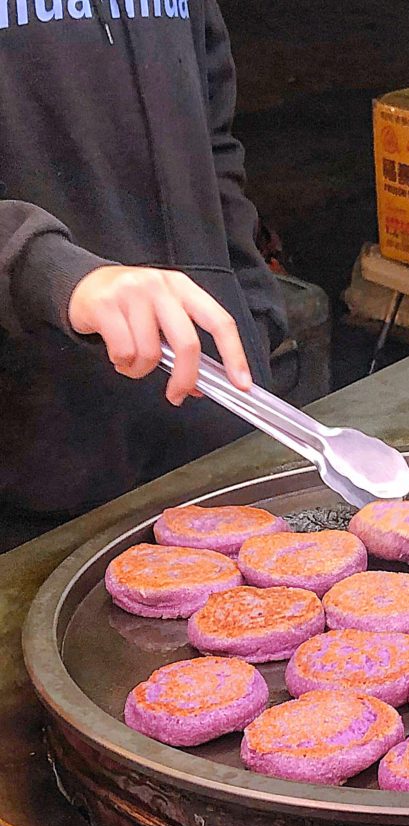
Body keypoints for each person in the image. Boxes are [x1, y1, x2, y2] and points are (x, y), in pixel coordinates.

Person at [0, 0, 286, 547]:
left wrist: (253, 309)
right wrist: (51, 272)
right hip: (41, 473)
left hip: (220, 434)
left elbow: (214, 142)